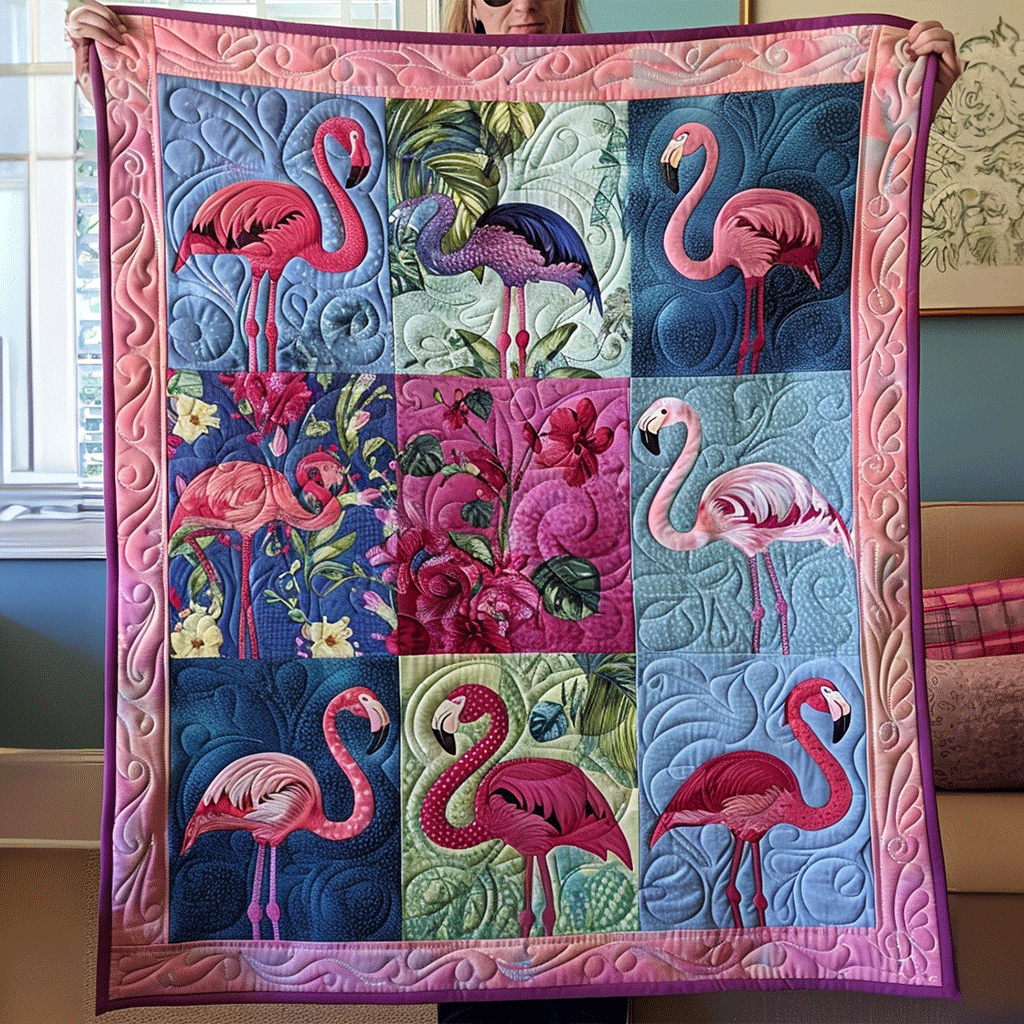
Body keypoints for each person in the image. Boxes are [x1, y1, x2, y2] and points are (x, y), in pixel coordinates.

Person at [68, 0, 959, 118]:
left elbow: (776, 128)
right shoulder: (406, 107)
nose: (523, 9)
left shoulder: (639, 100)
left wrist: (914, 90)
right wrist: (110, 74)